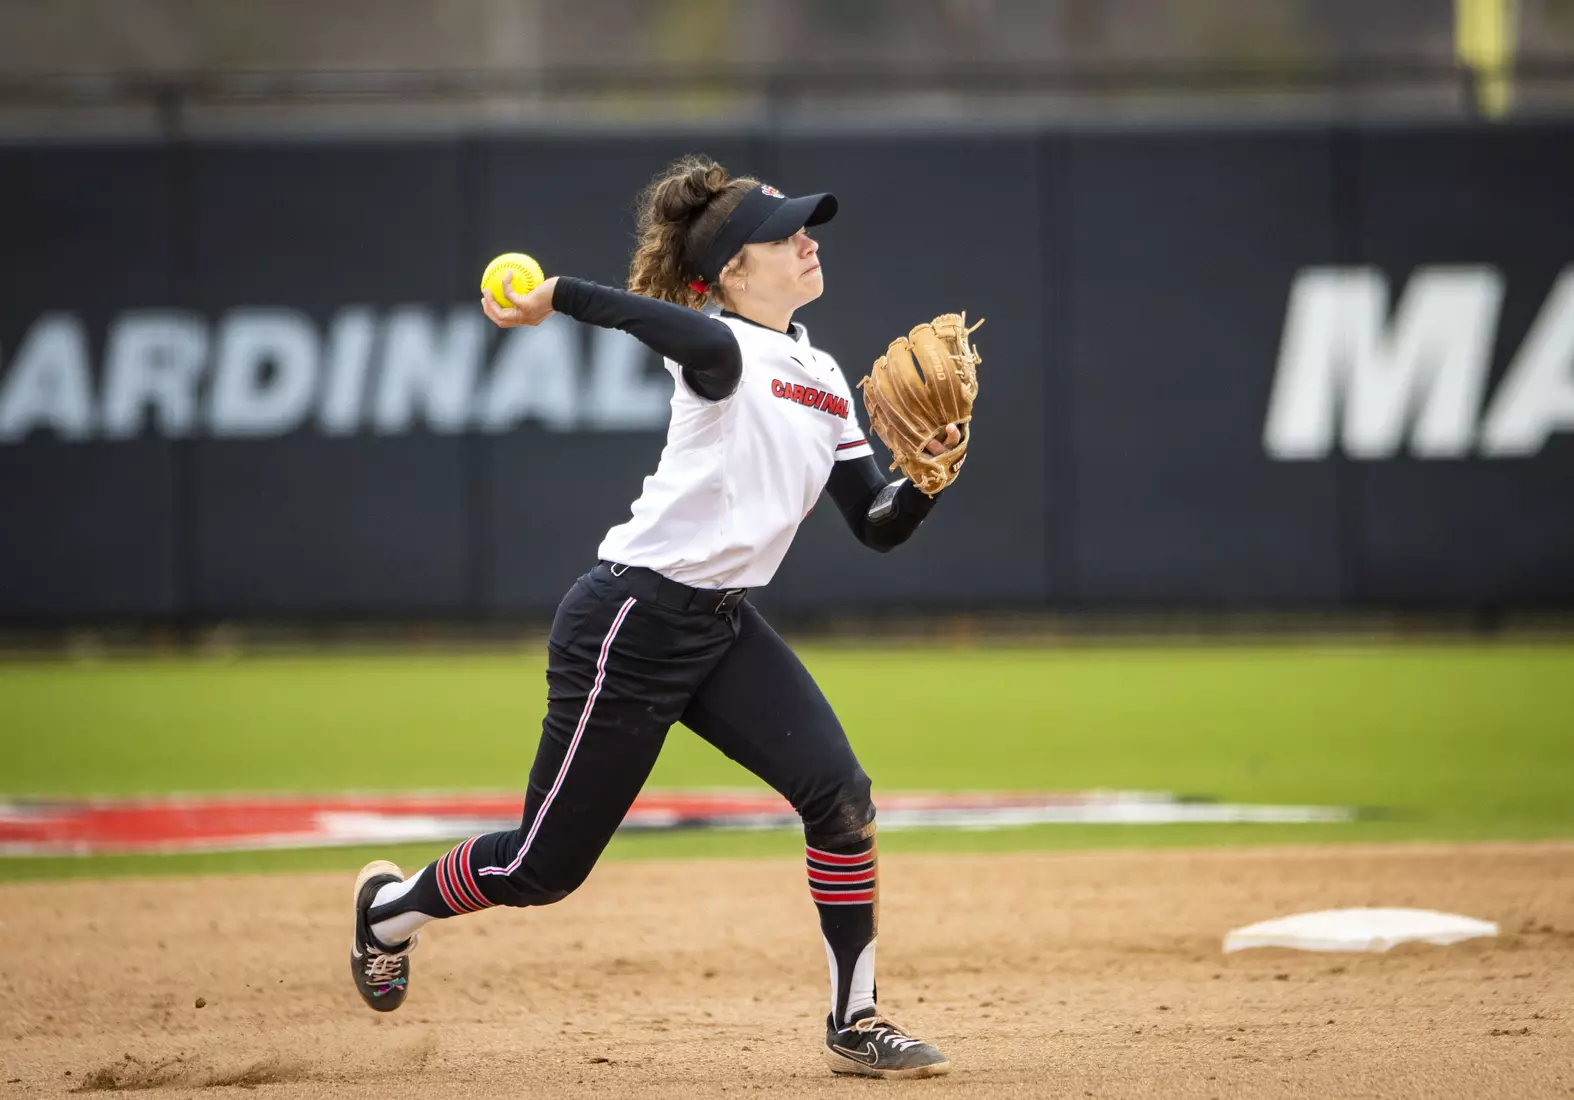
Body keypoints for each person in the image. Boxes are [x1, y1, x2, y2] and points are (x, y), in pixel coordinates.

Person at [348, 154, 962, 1080]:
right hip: (628, 624)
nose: (807, 240)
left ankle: (856, 1019)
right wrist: (553, 293)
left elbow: (874, 527)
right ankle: (389, 910)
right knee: (542, 869)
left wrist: (920, 485)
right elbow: (663, 323)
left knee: (841, 799)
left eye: (808, 227)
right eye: (784, 233)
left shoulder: (823, 373)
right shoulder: (719, 350)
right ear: (730, 274)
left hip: (721, 627)